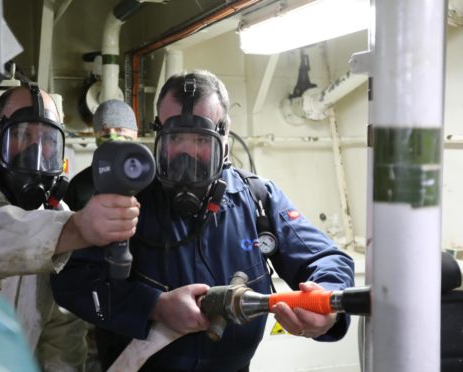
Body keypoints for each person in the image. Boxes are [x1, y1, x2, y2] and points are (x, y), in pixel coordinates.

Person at [51, 70, 355, 371]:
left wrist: (326, 306)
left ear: (225, 134)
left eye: (200, 140)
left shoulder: (258, 199)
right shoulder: (126, 201)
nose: (186, 153)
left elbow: (327, 258)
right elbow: (70, 280)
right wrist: (153, 305)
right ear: (158, 133)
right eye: (175, 138)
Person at [0, 84, 140, 372]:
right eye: (24, 134)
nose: (37, 149)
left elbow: (62, 329)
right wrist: (76, 229)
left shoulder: (56, 212)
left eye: (48, 139)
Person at [63, 99, 139, 211]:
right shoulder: (79, 185)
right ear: (96, 135)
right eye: (105, 132)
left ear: (135, 134)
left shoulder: (149, 180)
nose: (112, 137)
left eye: (120, 131)